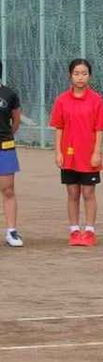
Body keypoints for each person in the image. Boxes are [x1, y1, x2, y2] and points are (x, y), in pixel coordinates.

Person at [50, 58, 103, 247]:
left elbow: (100, 128)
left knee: (88, 192)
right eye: (76, 73)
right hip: (69, 155)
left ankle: (90, 231)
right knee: (72, 193)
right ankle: (74, 230)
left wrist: (97, 152)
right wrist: (58, 152)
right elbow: (59, 127)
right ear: (70, 75)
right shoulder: (62, 100)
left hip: (89, 155)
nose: (80, 77)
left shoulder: (96, 99)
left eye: (84, 73)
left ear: (89, 76)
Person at [0, 65, 22, 247]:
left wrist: (7, 136)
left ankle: (11, 231)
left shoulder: (9, 94)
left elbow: (16, 121)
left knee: (8, 190)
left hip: (4, 148)